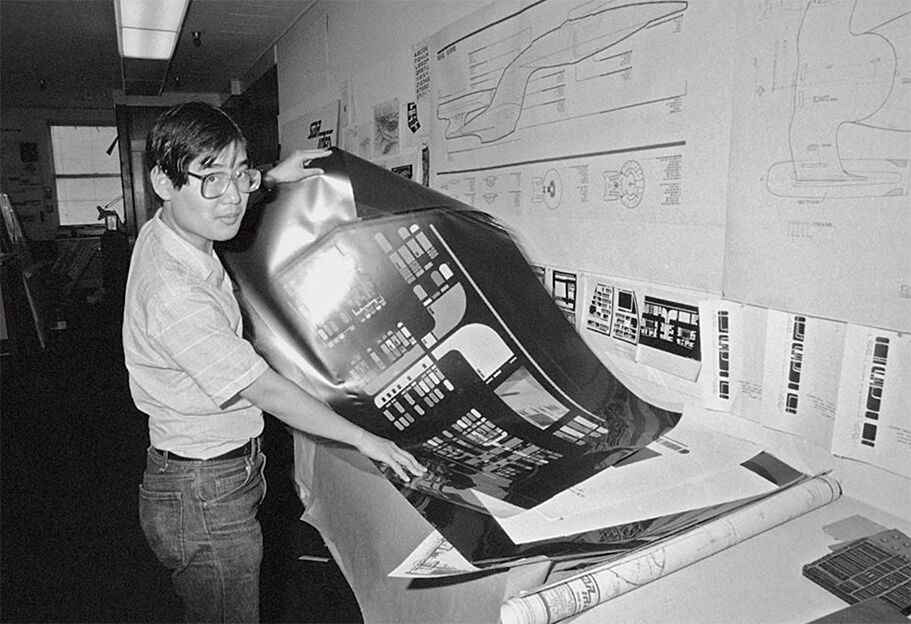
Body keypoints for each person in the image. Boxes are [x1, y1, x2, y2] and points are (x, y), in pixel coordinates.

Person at [122, 101, 425, 623]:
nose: (234, 197)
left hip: (210, 473)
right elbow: (266, 389)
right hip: (204, 491)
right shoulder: (173, 291)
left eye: (241, 173)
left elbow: (225, 187)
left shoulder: (170, 229)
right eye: (213, 179)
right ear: (163, 183)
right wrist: (364, 439)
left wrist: (271, 177)